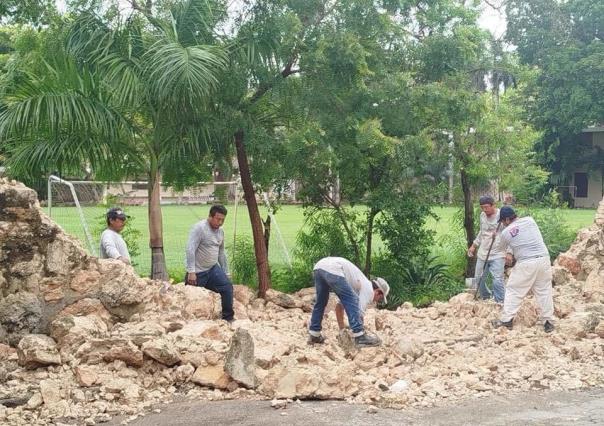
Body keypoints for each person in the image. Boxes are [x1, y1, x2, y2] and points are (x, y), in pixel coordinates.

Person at [491, 206, 555, 333]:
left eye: (503, 221)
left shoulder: (505, 233)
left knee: (514, 290)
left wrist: (496, 236)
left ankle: (506, 320)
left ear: (508, 219)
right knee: (544, 291)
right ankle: (548, 322)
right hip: (543, 259)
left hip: (526, 262)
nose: (503, 224)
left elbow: (500, 248)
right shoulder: (530, 221)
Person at [307, 256, 390, 348]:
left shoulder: (356, 284)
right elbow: (359, 312)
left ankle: (314, 334)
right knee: (353, 299)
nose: (377, 301)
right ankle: (360, 337)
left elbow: (339, 307)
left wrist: (342, 330)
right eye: (380, 298)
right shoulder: (369, 289)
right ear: (378, 292)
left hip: (319, 267)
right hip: (334, 268)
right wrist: (360, 329)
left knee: (321, 301)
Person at [185, 205, 234, 322]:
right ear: (210, 217)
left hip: (213, 269)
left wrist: (226, 271)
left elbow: (221, 253)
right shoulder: (199, 228)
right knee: (193, 299)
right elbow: (190, 249)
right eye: (218, 219)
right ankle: (191, 323)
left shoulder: (221, 231)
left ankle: (227, 319)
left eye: (223, 220)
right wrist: (191, 271)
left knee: (227, 287)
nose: (220, 222)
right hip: (197, 271)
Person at [467, 195, 505, 303]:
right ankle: (485, 297)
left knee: (497, 279)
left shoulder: (501, 215)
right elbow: (481, 232)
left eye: (487, 207)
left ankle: (500, 302)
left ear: (494, 205)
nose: (485, 210)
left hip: (498, 253)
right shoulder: (482, 215)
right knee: (477, 278)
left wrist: (509, 252)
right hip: (483, 252)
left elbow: (509, 234)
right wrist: (474, 245)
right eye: (482, 207)